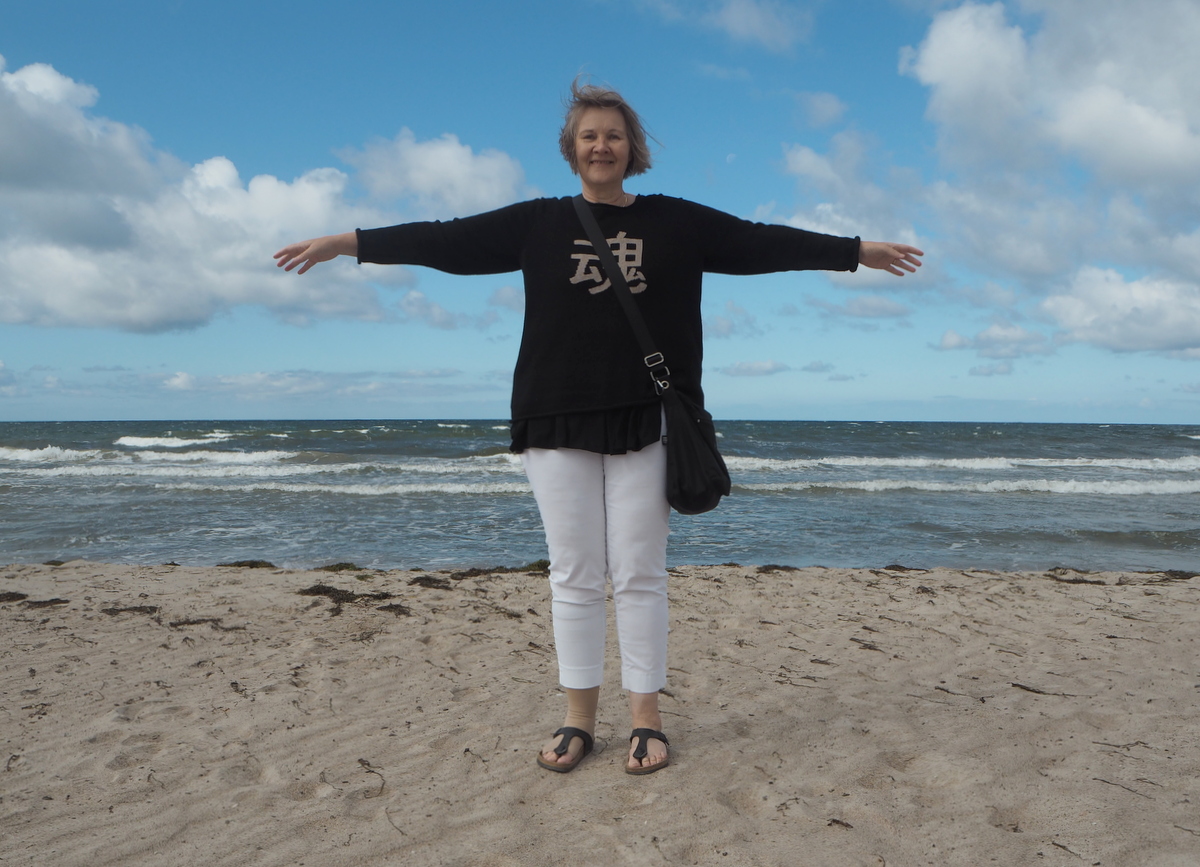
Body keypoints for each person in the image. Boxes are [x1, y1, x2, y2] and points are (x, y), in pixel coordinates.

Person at [274, 80, 923, 775]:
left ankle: (646, 720)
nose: (601, 146)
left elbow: (760, 242)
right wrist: (347, 243)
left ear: (631, 148)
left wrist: (855, 251)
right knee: (575, 574)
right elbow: (445, 239)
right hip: (555, 414)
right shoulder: (538, 222)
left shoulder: (677, 221)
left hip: (649, 414)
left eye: (613, 135)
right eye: (589, 135)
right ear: (571, 148)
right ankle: (578, 720)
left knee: (640, 573)